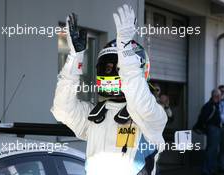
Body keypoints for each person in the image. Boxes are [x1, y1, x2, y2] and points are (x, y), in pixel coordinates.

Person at [51, 4, 167, 175]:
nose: (111, 72)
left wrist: (125, 49)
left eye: (117, 67)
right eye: (106, 68)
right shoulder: (95, 116)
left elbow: (138, 96)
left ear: (136, 68)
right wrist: (75, 58)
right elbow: (62, 109)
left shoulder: (151, 116)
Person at [201, 89, 222, 175]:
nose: (221, 97)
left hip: (215, 129)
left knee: (214, 149)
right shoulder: (210, 105)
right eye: (220, 95)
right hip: (212, 129)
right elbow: (204, 118)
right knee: (211, 149)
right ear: (216, 96)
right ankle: (206, 170)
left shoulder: (215, 105)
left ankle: (211, 169)